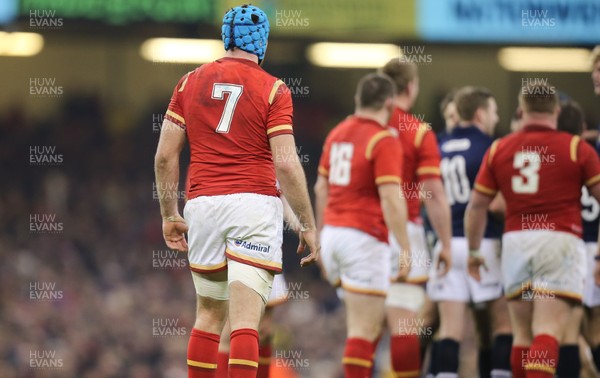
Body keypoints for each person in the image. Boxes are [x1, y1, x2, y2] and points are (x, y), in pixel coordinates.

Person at [154, 5, 319, 377]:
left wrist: (169, 214)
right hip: (253, 205)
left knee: (209, 317)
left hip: (202, 205)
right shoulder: (274, 88)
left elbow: (165, 157)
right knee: (246, 322)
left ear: (226, 37)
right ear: (261, 43)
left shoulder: (188, 82)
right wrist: (307, 223)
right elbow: (287, 163)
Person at [465, 82, 600, 378]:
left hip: (515, 243)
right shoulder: (577, 148)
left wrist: (474, 251)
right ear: (556, 109)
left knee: (522, 336)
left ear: (522, 110)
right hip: (559, 242)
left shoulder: (500, 148)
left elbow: (476, 207)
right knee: (548, 330)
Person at [314, 73, 411, 378]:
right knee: (363, 328)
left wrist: (320, 239)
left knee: (370, 324)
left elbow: (320, 189)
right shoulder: (384, 139)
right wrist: (406, 248)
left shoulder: (337, 133)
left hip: (332, 234)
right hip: (363, 237)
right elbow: (391, 197)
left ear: (358, 100)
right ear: (389, 103)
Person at [428, 86, 512, 378]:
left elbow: (427, 195)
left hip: (447, 244)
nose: (496, 116)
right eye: (493, 111)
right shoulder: (493, 147)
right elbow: (499, 204)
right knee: (502, 324)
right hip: (483, 243)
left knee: (450, 329)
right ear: (480, 113)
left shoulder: (436, 145)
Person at [379, 59, 452, 377]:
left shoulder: (361, 126)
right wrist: (446, 244)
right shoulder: (419, 132)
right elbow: (434, 194)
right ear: (411, 87)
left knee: (362, 326)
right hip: (403, 232)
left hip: (361, 229)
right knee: (405, 321)